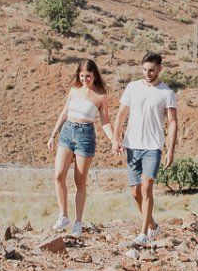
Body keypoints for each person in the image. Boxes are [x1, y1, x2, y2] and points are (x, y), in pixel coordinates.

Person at [113, 51, 179, 248]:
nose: (148, 74)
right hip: (132, 146)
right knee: (135, 192)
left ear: (159, 69)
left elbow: (173, 122)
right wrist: (116, 138)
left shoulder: (166, 93)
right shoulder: (132, 87)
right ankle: (152, 225)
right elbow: (121, 114)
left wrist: (170, 150)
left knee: (146, 186)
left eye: (151, 70)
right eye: (144, 70)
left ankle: (143, 233)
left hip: (153, 146)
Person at [46, 58, 115, 236]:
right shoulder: (74, 90)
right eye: (82, 76)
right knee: (58, 174)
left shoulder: (100, 95)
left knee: (80, 181)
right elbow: (64, 113)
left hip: (85, 136)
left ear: (95, 75)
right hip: (67, 132)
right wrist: (53, 135)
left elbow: (105, 121)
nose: (85, 79)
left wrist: (113, 139)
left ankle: (78, 222)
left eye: (88, 76)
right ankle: (63, 216)